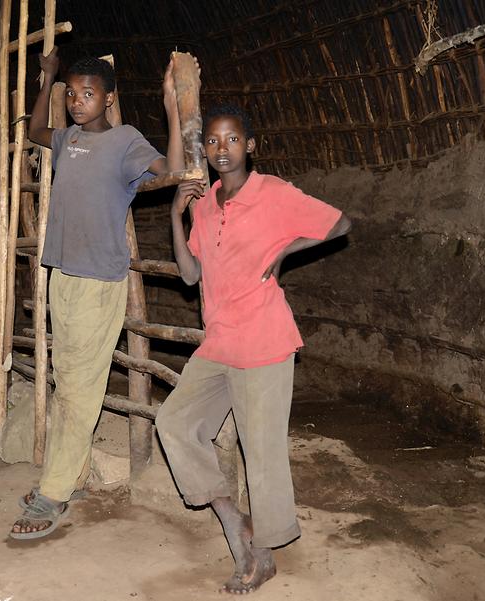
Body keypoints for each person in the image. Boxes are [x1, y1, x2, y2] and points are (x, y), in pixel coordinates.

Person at [155, 104, 351, 593]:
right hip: (220, 341)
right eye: (214, 142)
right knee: (174, 423)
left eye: (233, 140)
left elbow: (341, 223)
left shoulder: (274, 193)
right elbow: (189, 274)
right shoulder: (204, 203)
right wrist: (176, 216)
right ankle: (232, 519)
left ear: (250, 145)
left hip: (265, 341)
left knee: (261, 453)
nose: (223, 149)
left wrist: (286, 249)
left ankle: (261, 556)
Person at [9, 47, 185, 539]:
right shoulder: (67, 140)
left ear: (109, 99)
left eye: (89, 94)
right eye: (73, 94)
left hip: (96, 283)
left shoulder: (125, 141)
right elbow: (34, 132)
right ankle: (76, 476)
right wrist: (47, 80)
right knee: (69, 384)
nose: (78, 102)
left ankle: (53, 495)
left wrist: (170, 107)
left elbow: (169, 168)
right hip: (63, 276)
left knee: (81, 391)